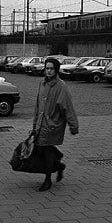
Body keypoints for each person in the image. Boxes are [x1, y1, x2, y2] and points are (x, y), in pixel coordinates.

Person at [30, 57, 79, 192]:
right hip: (41, 123)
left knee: (45, 150)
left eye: (51, 69)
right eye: (47, 68)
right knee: (40, 149)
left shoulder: (61, 86)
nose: (49, 71)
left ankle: (47, 180)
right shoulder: (42, 83)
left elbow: (67, 107)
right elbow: (38, 105)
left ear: (56, 70)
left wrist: (73, 126)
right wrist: (34, 125)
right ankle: (58, 165)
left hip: (52, 124)